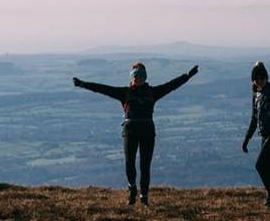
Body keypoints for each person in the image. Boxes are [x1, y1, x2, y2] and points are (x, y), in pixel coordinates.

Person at [73, 62, 199, 206]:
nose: (139, 78)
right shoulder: (125, 92)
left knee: (145, 166)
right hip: (130, 132)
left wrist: (187, 76)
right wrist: (83, 84)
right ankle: (132, 189)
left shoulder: (153, 92)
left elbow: (171, 85)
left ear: (145, 77)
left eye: (141, 75)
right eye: (136, 75)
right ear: (132, 77)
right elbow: (103, 89)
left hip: (147, 133)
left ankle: (144, 196)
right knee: (129, 164)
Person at [242, 61, 270, 207]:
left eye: (262, 78)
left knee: (260, 165)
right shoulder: (256, 94)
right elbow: (254, 118)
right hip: (265, 135)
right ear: (253, 80)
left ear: (266, 78)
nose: (259, 80)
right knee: (267, 167)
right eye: (257, 78)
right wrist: (247, 138)